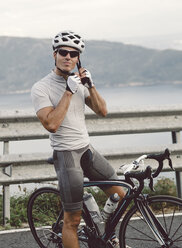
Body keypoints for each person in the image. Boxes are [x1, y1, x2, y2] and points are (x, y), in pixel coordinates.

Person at [31, 30, 125, 248]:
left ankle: (106, 238)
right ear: (54, 54)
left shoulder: (80, 83)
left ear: (78, 58)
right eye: (63, 52)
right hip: (66, 155)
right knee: (72, 220)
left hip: (87, 150)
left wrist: (89, 84)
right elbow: (51, 124)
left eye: (73, 54)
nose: (68, 57)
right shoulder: (41, 88)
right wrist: (68, 92)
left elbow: (102, 111)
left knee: (121, 196)